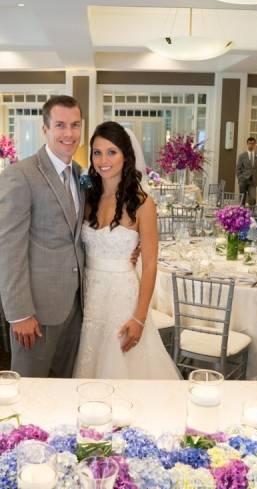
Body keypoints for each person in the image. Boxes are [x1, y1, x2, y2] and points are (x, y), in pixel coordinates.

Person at [73, 121, 180, 380]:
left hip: (123, 298)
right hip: (91, 298)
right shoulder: (87, 197)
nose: (103, 160)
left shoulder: (144, 204)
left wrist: (140, 318)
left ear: (126, 156)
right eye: (97, 152)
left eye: (111, 152)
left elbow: (152, 264)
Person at [0, 95, 85, 377]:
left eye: (75, 125)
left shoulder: (80, 174)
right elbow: (7, 247)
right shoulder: (20, 175)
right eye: (60, 125)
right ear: (45, 130)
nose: (69, 133)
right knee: (29, 390)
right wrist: (20, 312)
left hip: (75, 305)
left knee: (65, 388)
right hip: (36, 311)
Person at [235, 137, 257, 206]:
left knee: (252, 199)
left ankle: (251, 215)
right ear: (247, 144)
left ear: (255, 145)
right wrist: (240, 178)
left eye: (253, 144)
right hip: (243, 181)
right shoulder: (242, 156)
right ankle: (242, 214)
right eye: (249, 143)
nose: (251, 145)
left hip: (253, 180)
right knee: (242, 199)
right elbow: (238, 169)